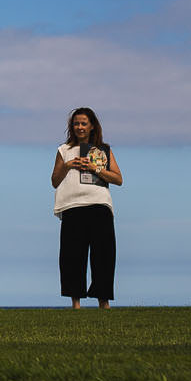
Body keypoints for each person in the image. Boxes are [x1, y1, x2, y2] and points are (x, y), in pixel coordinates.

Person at [51, 107, 121, 309]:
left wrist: (94, 168)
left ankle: (103, 301)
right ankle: (76, 303)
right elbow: (54, 181)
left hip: (99, 205)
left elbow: (118, 179)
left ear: (91, 126)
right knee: (72, 255)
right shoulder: (63, 150)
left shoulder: (103, 150)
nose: (80, 127)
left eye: (83, 123)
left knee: (104, 254)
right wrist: (69, 165)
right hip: (72, 206)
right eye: (76, 123)